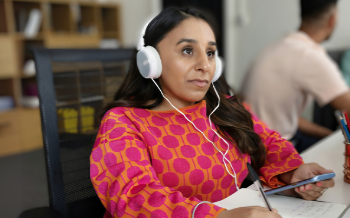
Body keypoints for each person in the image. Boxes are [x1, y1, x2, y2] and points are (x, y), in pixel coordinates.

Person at [90, 7, 335, 218]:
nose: (204, 65)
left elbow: (268, 143)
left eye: (210, 53)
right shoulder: (123, 122)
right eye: (187, 50)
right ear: (150, 61)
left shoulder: (223, 106)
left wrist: (293, 174)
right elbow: (135, 196)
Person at [242, 0, 350, 153]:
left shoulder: (276, 46)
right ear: (332, 19)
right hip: (272, 150)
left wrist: (329, 135)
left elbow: (283, 118)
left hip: (250, 141)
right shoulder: (310, 55)